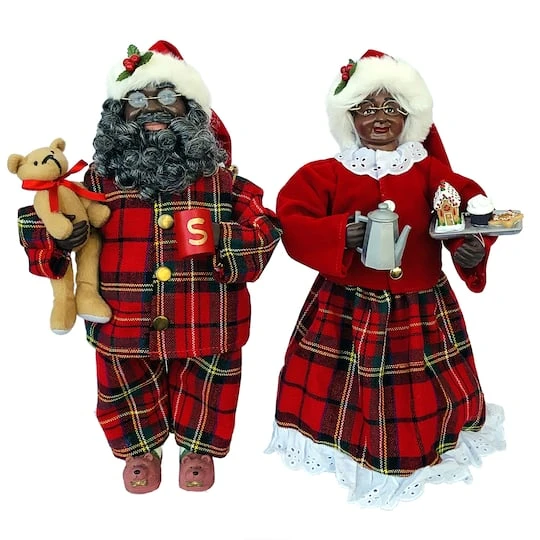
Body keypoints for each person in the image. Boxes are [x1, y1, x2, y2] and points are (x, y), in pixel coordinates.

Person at [17, 40, 282, 494]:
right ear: (118, 116)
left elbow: (265, 228)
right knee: (126, 382)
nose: (152, 109)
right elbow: (44, 216)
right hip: (123, 316)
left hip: (207, 317)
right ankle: (139, 449)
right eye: (137, 100)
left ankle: (197, 448)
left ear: (190, 111)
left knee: (207, 383)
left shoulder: (222, 180)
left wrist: (223, 239)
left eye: (167, 98)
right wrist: (59, 238)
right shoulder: (99, 180)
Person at [265, 49, 505, 509]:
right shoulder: (326, 174)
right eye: (367, 108)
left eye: (392, 108)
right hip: (345, 305)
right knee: (341, 386)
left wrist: (469, 244)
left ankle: (426, 446)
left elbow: (464, 206)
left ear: (410, 117)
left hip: (420, 305)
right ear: (348, 117)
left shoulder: (429, 171)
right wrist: (338, 233)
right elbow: (291, 220)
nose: (380, 118)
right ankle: (343, 446)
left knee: (423, 389)